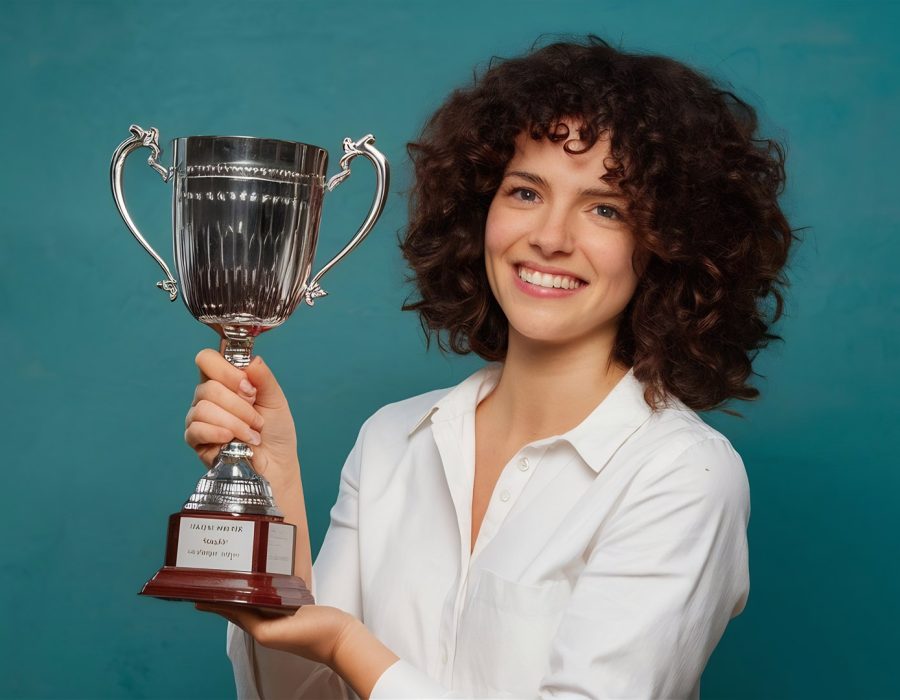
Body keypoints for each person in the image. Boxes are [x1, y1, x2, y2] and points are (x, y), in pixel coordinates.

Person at [186, 36, 796, 699]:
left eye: (605, 208)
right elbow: (298, 696)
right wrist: (275, 496)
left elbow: (340, 650)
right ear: (479, 209)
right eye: (526, 192)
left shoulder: (683, 475)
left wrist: (345, 642)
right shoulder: (392, 439)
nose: (551, 237)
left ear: (667, 245)